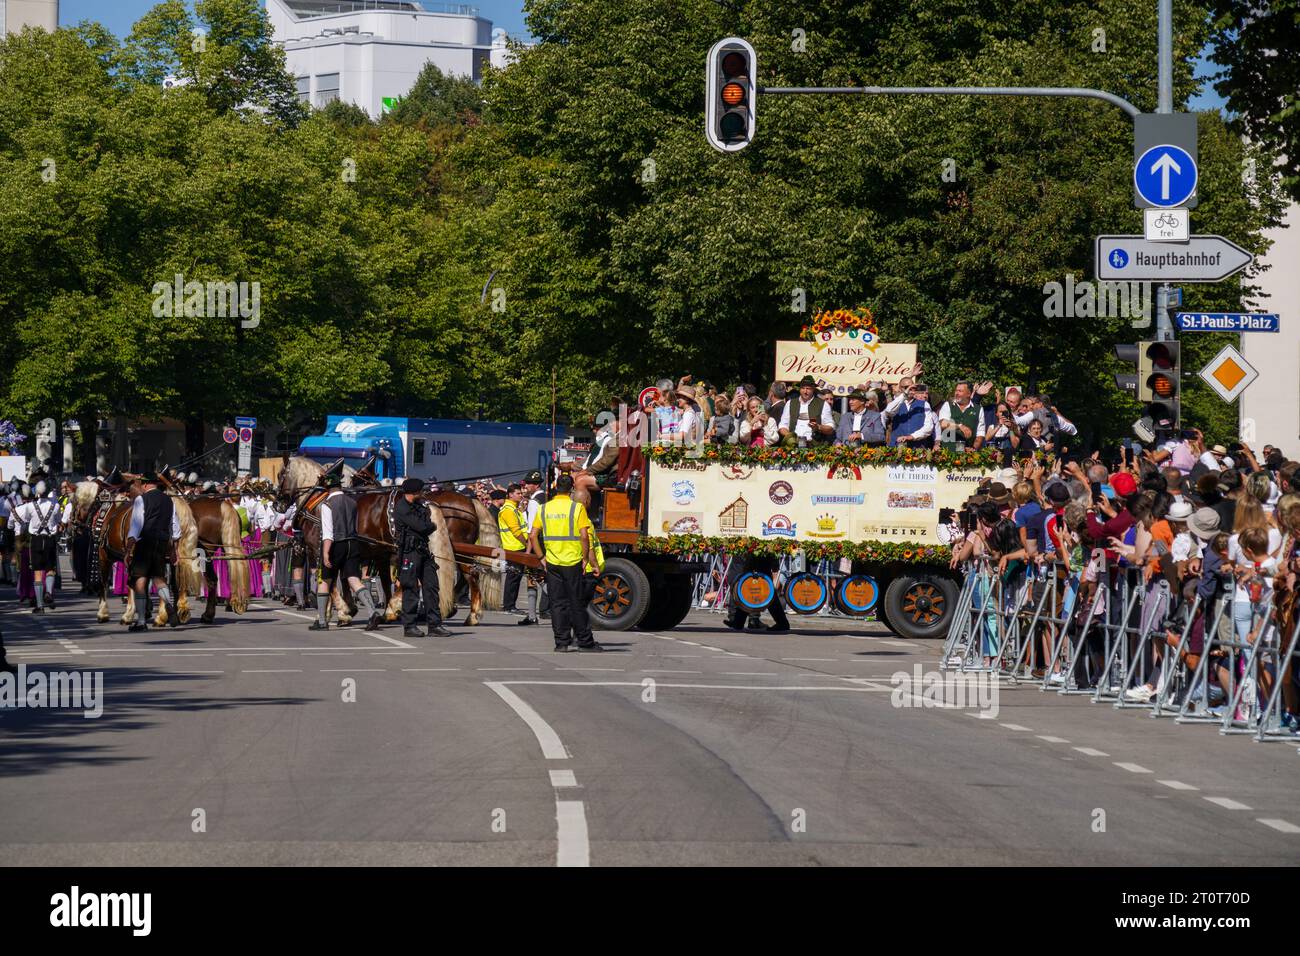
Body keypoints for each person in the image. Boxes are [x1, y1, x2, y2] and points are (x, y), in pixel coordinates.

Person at [529, 473, 603, 652]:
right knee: (576, 603)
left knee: (557, 604)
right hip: (573, 561)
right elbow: (585, 536)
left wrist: (541, 558)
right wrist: (585, 558)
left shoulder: (544, 508)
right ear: (571, 490)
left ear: (555, 488)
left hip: (553, 562)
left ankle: (561, 643)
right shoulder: (576, 509)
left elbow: (532, 535)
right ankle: (585, 642)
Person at [310, 473, 381, 632]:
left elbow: (328, 533)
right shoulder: (352, 502)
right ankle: (372, 612)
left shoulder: (327, 505)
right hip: (353, 543)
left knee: (325, 581)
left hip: (336, 545)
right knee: (354, 579)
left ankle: (322, 621)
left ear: (327, 489)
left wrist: (326, 553)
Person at [124, 472, 181, 632]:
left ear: (146, 484)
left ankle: (141, 621)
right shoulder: (169, 501)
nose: (141, 486)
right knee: (158, 577)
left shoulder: (141, 499)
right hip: (162, 542)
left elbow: (136, 525)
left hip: (146, 541)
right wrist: (174, 550)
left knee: (140, 581)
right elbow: (175, 527)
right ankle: (168, 604)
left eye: (142, 484)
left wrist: (128, 549)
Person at [393, 477, 450, 638]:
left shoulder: (418, 506)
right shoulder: (402, 508)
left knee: (431, 587)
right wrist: (429, 525)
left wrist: (428, 525)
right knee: (411, 589)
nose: (422, 493)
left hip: (423, 551)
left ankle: (434, 624)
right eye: (420, 491)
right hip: (409, 552)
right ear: (413, 492)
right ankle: (410, 626)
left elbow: (426, 523)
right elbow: (423, 526)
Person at [15, 480, 69, 612]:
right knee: (50, 569)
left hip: (36, 540)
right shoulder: (55, 506)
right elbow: (58, 521)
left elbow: (25, 520)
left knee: (37, 572)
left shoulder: (30, 506)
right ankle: (49, 592)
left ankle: (40, 606)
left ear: (37, 493)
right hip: (50, 539)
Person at [497, 482, 532, 621]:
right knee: (513, 577)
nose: (521, 495)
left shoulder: (514, 508)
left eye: (521, 493)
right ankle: (509, 605)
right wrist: (527, 543)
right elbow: (516, 531)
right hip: (514, 547)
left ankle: (510, 604)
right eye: (518, 493)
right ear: (510, 495)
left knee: (516, 577)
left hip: (516, 546)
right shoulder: (508, 510)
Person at [777, 375, 835, 444]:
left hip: (814, 446)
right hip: (793, 445)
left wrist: (818, 427)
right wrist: (790, 437)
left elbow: (831, 428)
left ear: (813, 389)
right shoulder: (790, 403)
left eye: (808, 388)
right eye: (803, 388)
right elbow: (783, 425)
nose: (805, 391)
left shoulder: (823, 404)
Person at [884, 381, 936, 448]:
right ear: (900, 388)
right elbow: (889, 411)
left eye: (913, 388)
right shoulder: (896, 403)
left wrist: (911, 437)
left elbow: (929, 427)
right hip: (897, 447)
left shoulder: (924, 404)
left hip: (917, 448)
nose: (910, 390)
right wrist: (905, 394)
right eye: (907, 387)